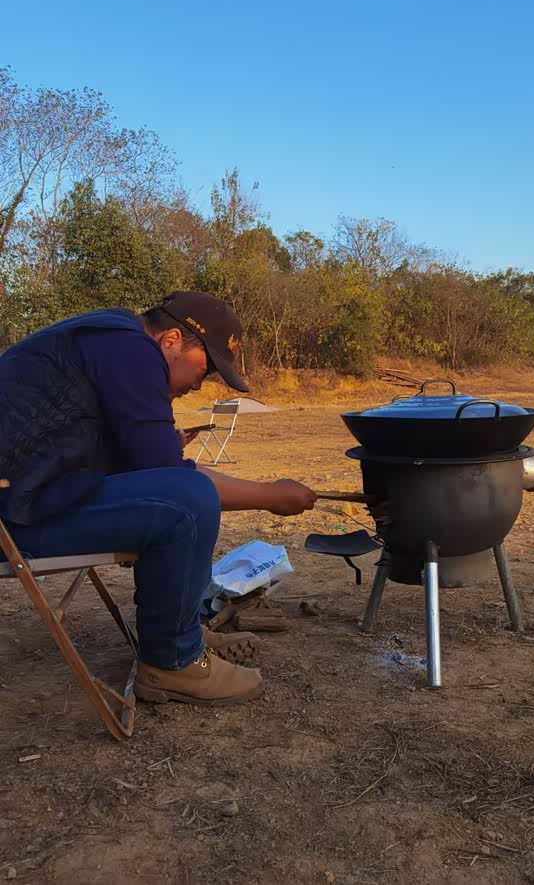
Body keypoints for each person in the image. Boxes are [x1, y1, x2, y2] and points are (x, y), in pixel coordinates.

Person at [0, 291, 317, 705]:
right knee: (187, 501)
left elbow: (112, 454)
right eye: (205, 369)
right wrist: (270, 495)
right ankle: (173, 660)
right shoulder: (130, 347)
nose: (199, 384)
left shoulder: (109, 336)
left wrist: (157, 453)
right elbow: (174, 478)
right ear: (170, 340)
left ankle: (181, 630)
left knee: (180, 493)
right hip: (15, 522)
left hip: (28, 505)